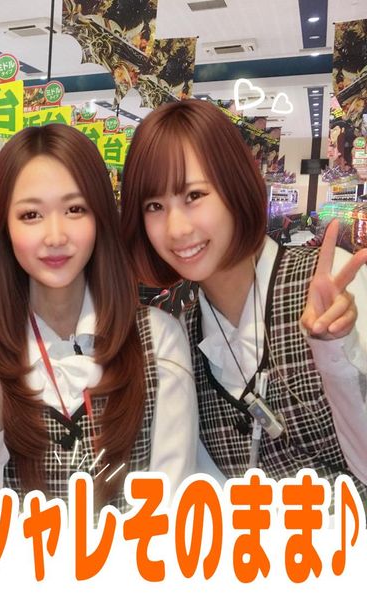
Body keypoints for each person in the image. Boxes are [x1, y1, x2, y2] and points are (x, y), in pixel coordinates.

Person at [0, 123, 197, 509]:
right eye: (31, 214)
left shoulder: (157, 338)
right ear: (4, 227)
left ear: (100, 218)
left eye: (75, 209)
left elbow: (173, 508)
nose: (55, 236)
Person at [120, 99, 367, 496]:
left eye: (194, 195)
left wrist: (336, 351)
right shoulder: (179, 339)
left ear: (235, 186)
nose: (176, 228)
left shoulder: (331, 284)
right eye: (154, 206)